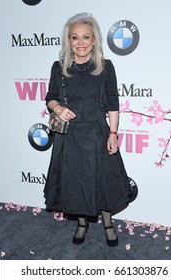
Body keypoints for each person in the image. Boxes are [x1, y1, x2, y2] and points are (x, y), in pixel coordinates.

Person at [44, 12, 134, 247]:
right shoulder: (58, 68)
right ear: (69, 41)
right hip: (70, 136)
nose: (81, 43)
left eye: (86, 37)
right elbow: (50, 98)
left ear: (94, 40)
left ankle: (108, 224)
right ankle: (81, 223)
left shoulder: (105, 67)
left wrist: (113, 133)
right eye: (75, 38)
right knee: (76, 183)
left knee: (101, 182)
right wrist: (58, 108)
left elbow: (113, 104)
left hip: (97, 134)